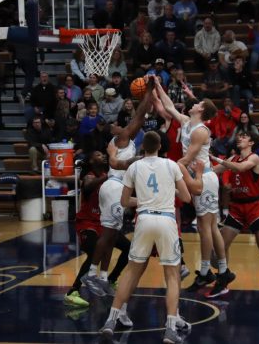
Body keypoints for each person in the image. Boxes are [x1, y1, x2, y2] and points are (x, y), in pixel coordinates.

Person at [98, 132, 193, 343]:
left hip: (144, 219)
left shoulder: (134, 167)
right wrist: (169, 192)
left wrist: (143, 199)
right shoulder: (171, 165)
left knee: (131, 272)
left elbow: (124, 201)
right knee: (172, 275)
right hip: (167, 220)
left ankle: (111, 321)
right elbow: (186, 197)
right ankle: (170, 328)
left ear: (143, 148)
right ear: (159, 146)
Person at [81, 78, 156, 297]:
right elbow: (140, 116)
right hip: (114, 187)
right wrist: (148, 92)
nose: (120, 124)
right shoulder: (122, 137)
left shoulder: (118, 143)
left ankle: (103, 277)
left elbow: (140, 117)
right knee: (108, 234)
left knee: (112, 236)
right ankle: (91, 274)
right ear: (115, 130)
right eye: (116, 124)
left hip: (112, 188)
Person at [154, 79, 229, 298]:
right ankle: (221, 270)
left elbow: (187, 158)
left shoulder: (201, 132)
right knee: (211, 227)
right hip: (199, 177)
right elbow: (168, 106)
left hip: (204, 179)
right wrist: (157, 84)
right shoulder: (187, 121)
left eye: (198, 103)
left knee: (205, 228)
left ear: (202, 109)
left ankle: (207, 271)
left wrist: (170, 170)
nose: (193, 103)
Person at [213, 132, 259, 295]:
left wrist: (217, 158)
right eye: (238, 137)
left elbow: (240, 167)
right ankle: (223, 280)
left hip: (254, 208)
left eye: (244, 137)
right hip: (237, 208)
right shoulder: (232, 159)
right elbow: (213, 171)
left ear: (251, 142)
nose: (240, 138)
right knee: (222, 246)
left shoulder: (254, 158)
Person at [63, 150, 131, 309]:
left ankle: (111, 280)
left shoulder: (110, 175)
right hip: (87, 223)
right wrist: (107, 177)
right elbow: (87, 186)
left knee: (129, 248)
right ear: (91, 161)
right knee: (94, 252)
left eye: (103, 154)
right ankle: (73, 292)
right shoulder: (90, 177)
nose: (103, 156)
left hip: (104, 224)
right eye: (98, 155)